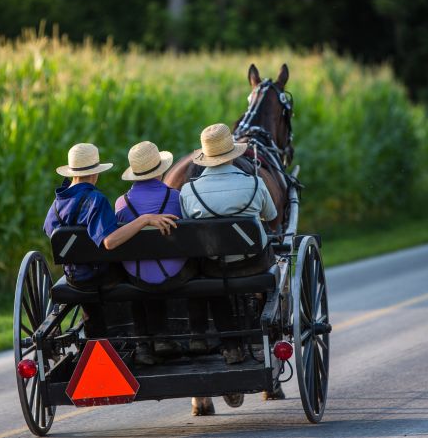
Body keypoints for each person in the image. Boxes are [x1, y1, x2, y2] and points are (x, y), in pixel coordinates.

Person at [43, 142, 178, 339]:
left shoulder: (56, 204)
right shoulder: (95, 200)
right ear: (95, 173)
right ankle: (143, 338)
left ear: (72, 173)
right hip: (99, 276)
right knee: (130, 270)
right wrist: (144, 219)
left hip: (74, 277)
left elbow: (49, 230)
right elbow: (109, 242)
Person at [180, 123, 278, 365]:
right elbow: (271, 216)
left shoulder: (188, 190)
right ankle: (262, 330)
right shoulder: (255, 182)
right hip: (254, 263)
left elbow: (187, 227)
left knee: (213, 279)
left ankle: (232, 347)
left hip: (215, 265)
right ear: (233, 153)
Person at [114, 141, 197, 365]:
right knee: (197, 263)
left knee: (137, 273)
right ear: (160, 170)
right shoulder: (176, 197)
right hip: (175, 274)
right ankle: (196, 334)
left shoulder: (121, 204)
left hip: (138, 276)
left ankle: (144, 344)